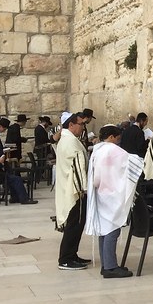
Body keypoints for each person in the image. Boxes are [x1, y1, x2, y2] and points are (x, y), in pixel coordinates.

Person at [84, 125, 143, 279]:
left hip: (101, 193)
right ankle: (110, 267)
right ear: (111, 137)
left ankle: (106, 264)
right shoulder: (112, 150)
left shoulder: (97, 150)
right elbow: (132, 161)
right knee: (112, 229)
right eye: (117, 138)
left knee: (104, 229)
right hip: (112, 194)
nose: (118, 141)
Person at [55, 112, 91, 270]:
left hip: (72, 189)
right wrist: (85, 188)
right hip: (75, 191)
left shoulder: (69, 139)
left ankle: (72, 254)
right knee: (74, 225)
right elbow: (77, 166)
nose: (83, 127)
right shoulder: (70, 142)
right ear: (71, 125)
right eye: (81, 124)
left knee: (77, 224)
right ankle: (65, 259)